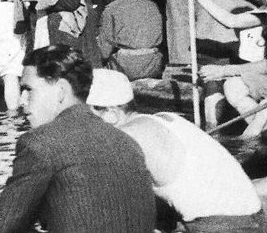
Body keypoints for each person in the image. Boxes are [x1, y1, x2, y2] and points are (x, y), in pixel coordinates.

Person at [0, 46, 156, 233]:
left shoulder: (40, 144)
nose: (21, 100)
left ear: (61, 91)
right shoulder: (127, 143)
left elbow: (1, 228)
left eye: (28, 90)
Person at [87, 69, 264, 232]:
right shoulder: (162, 119)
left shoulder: (128, 138)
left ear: (112, 113)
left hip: (225, 226)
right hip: (245, 220)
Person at [187, 0, 267, 137]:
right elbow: (230, 20)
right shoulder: (264, 11)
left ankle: (256, 135)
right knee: (233, 86)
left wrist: (223, 70)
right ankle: (262, 130)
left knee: (249, 136)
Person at [98, 0, 163, 80]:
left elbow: (104, 50)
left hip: (125, 67)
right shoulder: (152, 5)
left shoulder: (112, 9)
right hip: (153, 64)